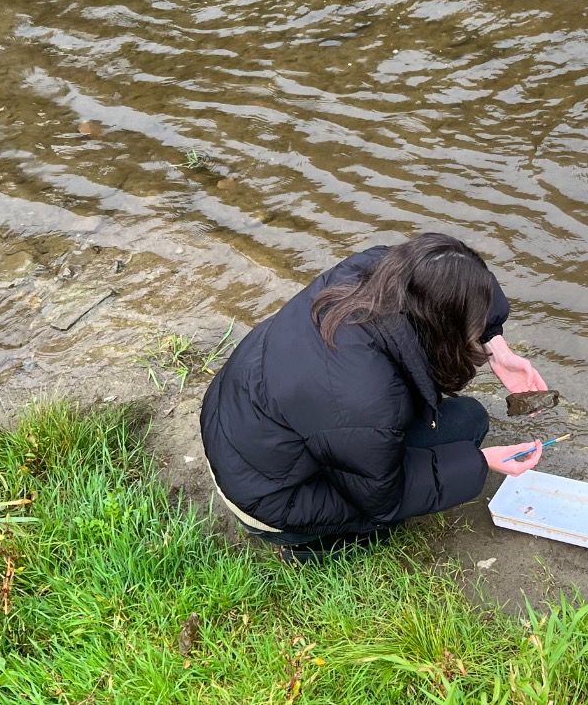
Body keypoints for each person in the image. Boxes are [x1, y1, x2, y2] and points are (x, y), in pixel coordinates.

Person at [200, 233, 550, 563]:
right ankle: (315, 546)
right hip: (270, 501)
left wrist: (496, 347)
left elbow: (458, 285)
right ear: (440, 321)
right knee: (466, 427)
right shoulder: (362, 395)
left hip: (240, 442)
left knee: (462, 418)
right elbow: (386, 498)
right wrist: (481, 462)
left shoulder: (373, 269)